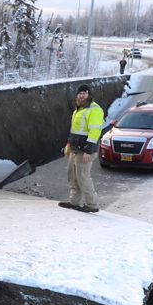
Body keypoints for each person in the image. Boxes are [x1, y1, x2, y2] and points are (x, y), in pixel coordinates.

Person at [58, 84, 104, 213]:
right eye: (79, 93)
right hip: (75, 149)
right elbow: (74, 130)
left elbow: (95, 131)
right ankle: (74, 201)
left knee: (83, 177)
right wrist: (68, 145)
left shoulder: (94, 109)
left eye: (84, 93)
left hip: (85, 150)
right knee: (73, 176)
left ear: (89, 95)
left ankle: (92, 204)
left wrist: (88, 150)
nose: (81, 95)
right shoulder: (78, 110)